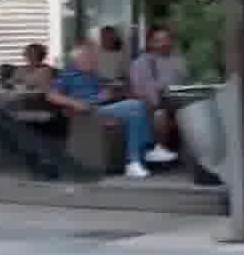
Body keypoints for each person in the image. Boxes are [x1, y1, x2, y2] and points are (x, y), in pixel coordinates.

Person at [45, 42, 167, 177]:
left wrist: (106, 93)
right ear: (77, 60)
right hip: (89, 112)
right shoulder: (67, 75)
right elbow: (51, 95)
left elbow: (104, 92)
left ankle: (134, 162)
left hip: (101, 108)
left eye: (92, 58)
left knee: (136, 112)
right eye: (89, 58)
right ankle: (148, 149)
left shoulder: (92, 75)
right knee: (135, 105)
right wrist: (74, 103)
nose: (93, 60)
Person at [129, 25, 188, 159]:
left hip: (177, 102)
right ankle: (159, 150)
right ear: (150, 43)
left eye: (166, 39)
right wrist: (157, 94)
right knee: (159, 114)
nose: (164, 43)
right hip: (153, 104)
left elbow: (186, 83)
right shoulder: (141, 63)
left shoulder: (180, 61)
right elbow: (138, 90)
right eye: (159, 40)